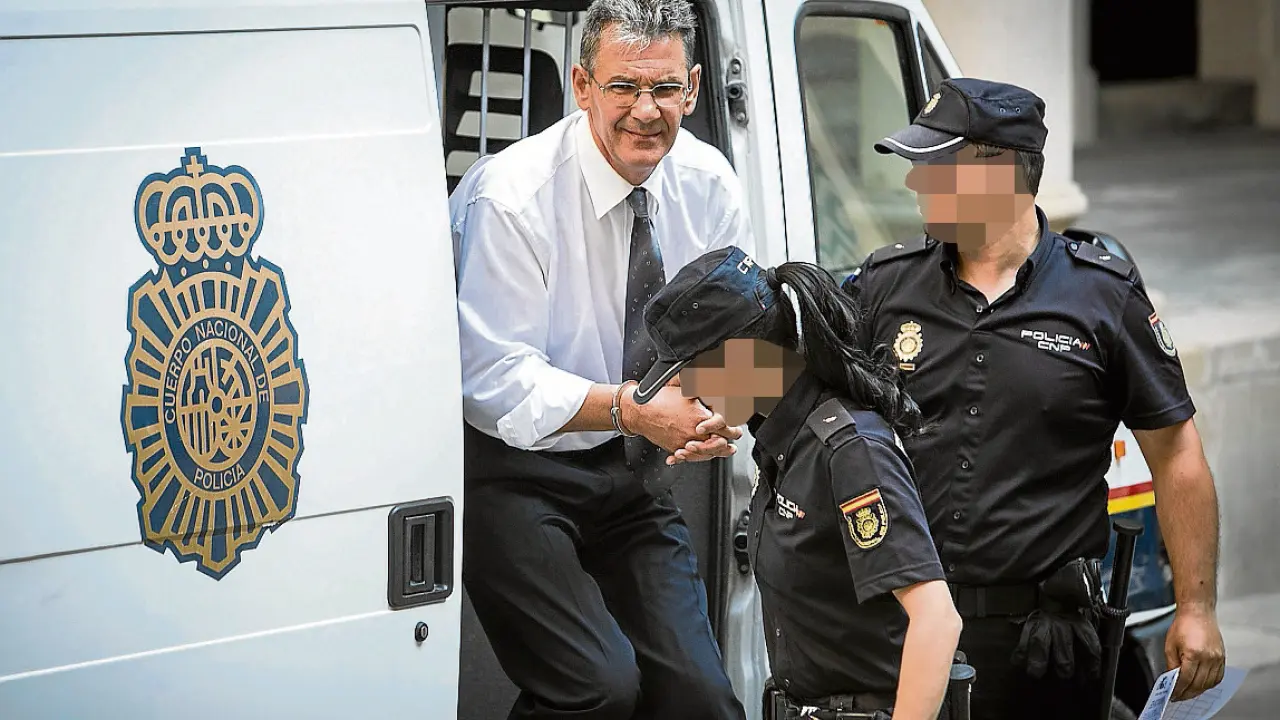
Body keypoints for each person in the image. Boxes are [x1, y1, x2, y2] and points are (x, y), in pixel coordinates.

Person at [842, 77, 1227, 719]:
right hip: (901, 631)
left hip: (1042, 653)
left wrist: (1196, 608)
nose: (913, 182)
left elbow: (1176, 452)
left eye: (933, 166)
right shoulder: (885, 286)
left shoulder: (1102, 296)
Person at [448, 0, 754, 718]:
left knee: (704, 700)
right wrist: (632, 410)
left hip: (633, 478)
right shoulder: (512, 196)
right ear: (582, 86)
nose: (646, 110)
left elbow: (745, 332)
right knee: (598, 688)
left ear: (694, 88)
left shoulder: (709, 184)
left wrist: (727, 406)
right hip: (514, 473)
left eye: (665, 87)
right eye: (624, 87)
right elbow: (493, 380)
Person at [631, 245, 965, 720]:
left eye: (692, 371)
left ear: (742, 358)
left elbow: (937, 619)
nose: (688, 389)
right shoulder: (781, 440)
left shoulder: (848, 449)